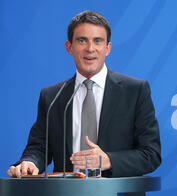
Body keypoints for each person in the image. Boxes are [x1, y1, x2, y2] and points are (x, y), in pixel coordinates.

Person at [8, 10, 161, 178]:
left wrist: (109, 160)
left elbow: (151, 154)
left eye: (98, 41)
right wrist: (30, 162)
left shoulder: (135, 91)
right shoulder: (52, 96)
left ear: (107, 48)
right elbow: (39, 147)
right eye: (82, 41)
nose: (90, 49)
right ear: (69, 47)